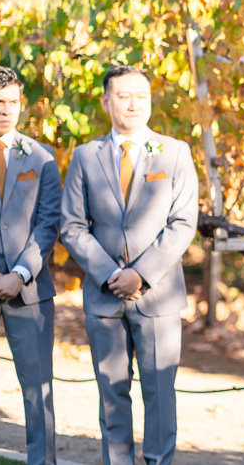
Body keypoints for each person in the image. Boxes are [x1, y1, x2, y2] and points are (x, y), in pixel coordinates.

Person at [61, 65, 199, 465]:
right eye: (123, 95)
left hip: (158, 296)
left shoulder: (174, 152)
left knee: (160, 394)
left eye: (141, 95)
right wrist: (109, 275)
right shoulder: (86, 156)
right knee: (111, 394)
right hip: (103, 298)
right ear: (106, 102)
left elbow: (183, 222)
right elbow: (71, 225)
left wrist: (141, 273)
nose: (134, 103)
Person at [0, 66, 61, 465]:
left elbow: (49, 223)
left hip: (29, 294)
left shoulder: (41, 157)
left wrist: (20, 274)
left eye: (13, 102)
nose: (6, 110)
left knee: (38, 392)